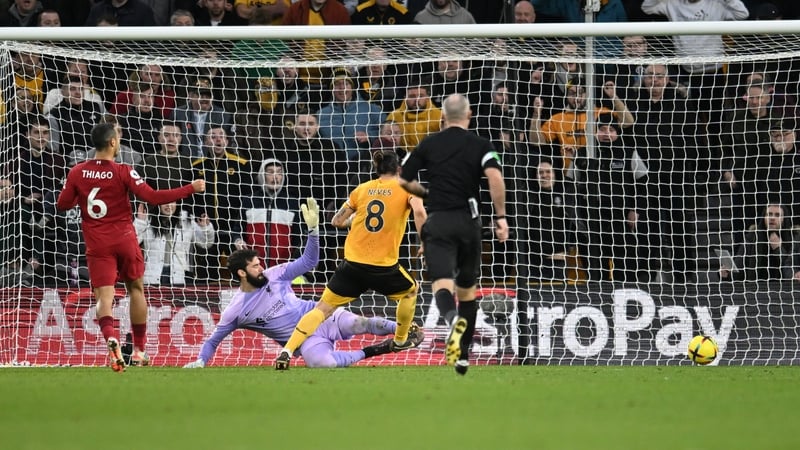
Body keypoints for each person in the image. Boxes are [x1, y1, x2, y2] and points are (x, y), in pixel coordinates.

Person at [184, 199, 424, 369]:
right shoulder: (236, 310)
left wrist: (313, 231)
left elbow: (310, 260)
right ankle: (377, 350)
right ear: (241, 273)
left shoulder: (275, 274)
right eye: (255, 266)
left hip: (318, 314)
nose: (261, 267)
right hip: (306, 341)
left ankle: (407, 331)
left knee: (358, 323)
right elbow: (213, 340)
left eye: (259, 263)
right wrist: (200, 361)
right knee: (322, 364)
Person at [56, 122, 206, 373]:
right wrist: (190, 188)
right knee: (136, 289)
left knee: (104, 297)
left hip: (97, 243)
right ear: (113, 143)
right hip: (125, 239)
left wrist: (81, 196)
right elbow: (153, 197)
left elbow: (62, 204)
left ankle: (110, 339)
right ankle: (138, 350)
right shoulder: (123, 170)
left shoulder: (77, 171)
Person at [274, 150, 428, 370]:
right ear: (400, 170)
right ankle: (401, 340)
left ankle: (286, 351)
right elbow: (420, 213)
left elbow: (337, 220)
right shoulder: (408, 187)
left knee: (321, 310)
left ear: (377, 170)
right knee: (411, 291)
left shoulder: (362, 189)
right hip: (383, 267)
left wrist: (356, 220)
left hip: (352, 266)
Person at [398, 94, 509, 375]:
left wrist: (425, 193)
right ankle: (462, 357)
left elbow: (403, 179)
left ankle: (451, 320)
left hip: (439, 222)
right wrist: (501, 218)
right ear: (469, 114)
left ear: (443, 116)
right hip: (470, 224)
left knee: (441, 286)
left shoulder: (429, 143)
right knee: (468, 292)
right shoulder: (481, 144)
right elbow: (495, 177)